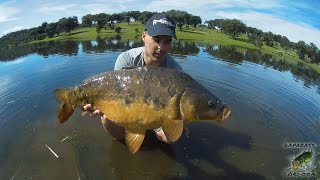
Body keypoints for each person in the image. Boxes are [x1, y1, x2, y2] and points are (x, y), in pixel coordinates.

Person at [84, 13, 182, 144]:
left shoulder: (175, 71)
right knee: (106, 117)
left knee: (170, 138)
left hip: (159, 114)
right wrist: (100, 104)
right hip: (129, 110)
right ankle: (125, 139)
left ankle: (148, 132)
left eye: (167, 41)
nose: (162, 47)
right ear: (143, 36)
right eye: (157, 40)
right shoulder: (126, 59)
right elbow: (116, 94)